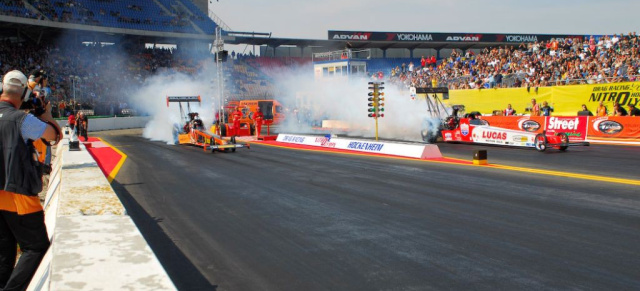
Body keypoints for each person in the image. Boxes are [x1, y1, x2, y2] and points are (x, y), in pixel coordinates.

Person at [0, 70, 60, 291]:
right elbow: (53, 136)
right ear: (24, 93)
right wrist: (47, 116)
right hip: (19, 196)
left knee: (4, 249)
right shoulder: (24, 120)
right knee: (36, 247)